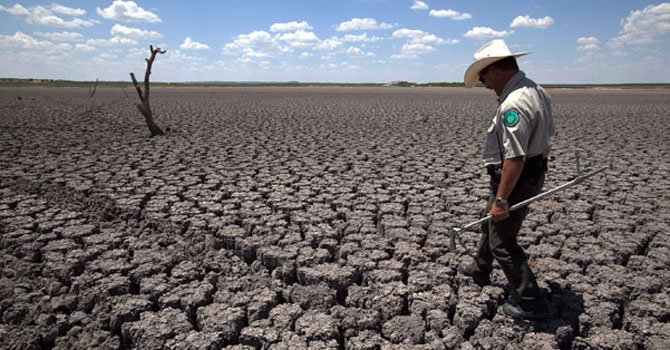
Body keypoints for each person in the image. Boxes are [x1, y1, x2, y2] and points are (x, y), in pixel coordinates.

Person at [459, 39, 554, 320]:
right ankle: (480, 268)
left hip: (516, 178)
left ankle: (530, 302)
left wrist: (501, 199)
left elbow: (515, 157)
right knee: (490, 220)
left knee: (502, 239)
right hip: (528, 173)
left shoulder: (514, 104)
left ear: (497, 69)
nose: (485, 83)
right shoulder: (535, 89)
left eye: (484, 75)